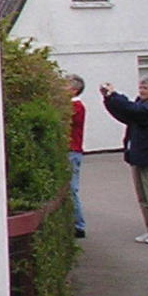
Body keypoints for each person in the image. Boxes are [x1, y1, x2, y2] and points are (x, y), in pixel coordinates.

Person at [101, 77, 148, 243]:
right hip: (137, 153)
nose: (141, 91)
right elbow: (124, 113)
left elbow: (133, 110)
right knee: (143, 196)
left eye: (145, 88)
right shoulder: (139, 104)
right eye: (140, 87)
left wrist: (115, 95)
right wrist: (109, 99)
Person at [67, 75, 87, 237]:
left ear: (74, 90)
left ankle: (78, 225)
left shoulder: (77, 107)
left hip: (72, 151)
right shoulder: (72, 106)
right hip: (70, 150)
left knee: (71, 189)